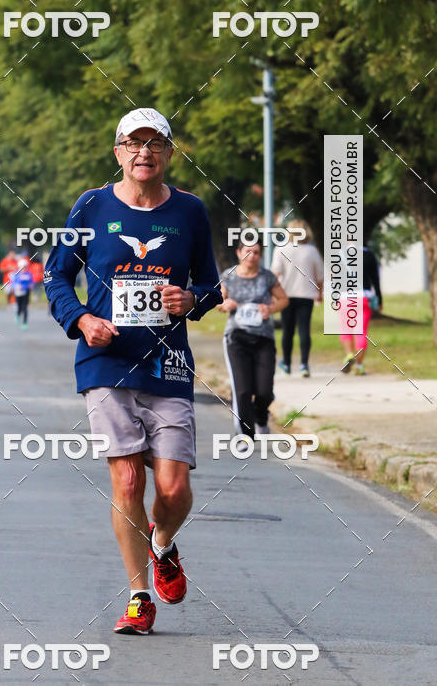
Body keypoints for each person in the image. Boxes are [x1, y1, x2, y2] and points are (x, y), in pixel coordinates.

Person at [44, 107, 221, 636]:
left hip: (167, 364)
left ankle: (162, 543)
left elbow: (210, 286)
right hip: (106, 363)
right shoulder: (92, 206)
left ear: (169, 153)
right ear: (118, 152)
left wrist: (191, 298)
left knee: (172, 489)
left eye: (155, 143)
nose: (143, 152)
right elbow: (56, 275)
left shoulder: (190, 211)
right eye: (132, 143)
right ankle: (138, 596)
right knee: (126, 478)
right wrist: (81, 319)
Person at [217, 238, 289, 437]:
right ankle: (245, 435)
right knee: (242, 389)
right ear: (239, 253)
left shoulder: (267, 277)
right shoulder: (229, 276)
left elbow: (284, 299)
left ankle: (261, 414)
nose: (252, 256)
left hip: (263, 338)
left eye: (256, 252)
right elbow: (217, 301)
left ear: (260, 256)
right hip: (236, 338)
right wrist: (225, 304)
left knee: (264, 391)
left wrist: (270, 308)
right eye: (248, 251)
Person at [271, 221, 323, 377]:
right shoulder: (312, 251)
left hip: (286, 295)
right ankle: (304, 365)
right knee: (304, 329)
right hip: (306, 295)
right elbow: (319, 275)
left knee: (288, 330)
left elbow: (275, 274)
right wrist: (320, 293)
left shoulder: (281, 249)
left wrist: (273, 294)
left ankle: (286, 364)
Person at [340, 243, 382, 375]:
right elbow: (375, 279)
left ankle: (348, 354)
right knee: (361, 331)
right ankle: (359, 365)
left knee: (345, 328)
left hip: (345, 296)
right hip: (363, 297)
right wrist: (380, 298)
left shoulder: (340, 255)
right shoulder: (369, 255)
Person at [8, 257, 34, 329]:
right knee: (19, 306)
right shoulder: (16, 274)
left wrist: (31, 285)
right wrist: (16, 286)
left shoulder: (29, 274)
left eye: (25, 267)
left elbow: (32, 282)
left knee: (25, 307)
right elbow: (12, 283)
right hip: (18, 293)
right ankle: (18, 315)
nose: (24, 269)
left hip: (26, 292)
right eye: (22, 267)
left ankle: (25, 323)